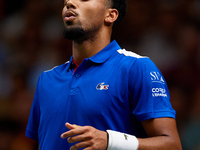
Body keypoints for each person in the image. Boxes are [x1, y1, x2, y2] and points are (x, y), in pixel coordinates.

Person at [25, 0, 182, 149]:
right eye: (66, 1)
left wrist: (111, 141)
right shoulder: (46, 79)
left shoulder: (136, 67)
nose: (70, 3)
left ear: (111, 15)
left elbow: (172, 145)